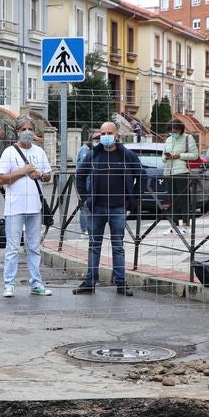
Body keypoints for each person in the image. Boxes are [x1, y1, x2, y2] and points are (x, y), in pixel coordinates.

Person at [74, 120, 141, 296]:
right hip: (97, 208)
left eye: (109, 133)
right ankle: (90, 282)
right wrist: (86, 198)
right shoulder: (93, 154)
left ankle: (121, 283)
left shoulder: (127, 155)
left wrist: (133, 198)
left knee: (118, 246)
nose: (105, 137)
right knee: (93, 245)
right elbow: (79, 176)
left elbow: (141, 176)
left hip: (118, 208)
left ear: (117, 135)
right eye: (102, 134)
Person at [0, 115, 53, 298]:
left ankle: (36, 283)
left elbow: (49, 175)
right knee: (12, 248)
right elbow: (1, 178)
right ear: (17, 132)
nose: (27, 132)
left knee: (34, 247)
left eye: (30, 129)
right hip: (15, 207)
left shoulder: (39, 152)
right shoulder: (9, 152)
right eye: (23, 129)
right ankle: (9, 284)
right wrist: (23, 171)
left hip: (34, 207)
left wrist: (40, 175)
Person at [161, 120, 199, 224]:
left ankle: (186, 224)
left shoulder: (188, 138)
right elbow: (163, 155)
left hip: (182, 171)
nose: (173, 133)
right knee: (172, 200)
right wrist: (166, 157)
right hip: (168, 172)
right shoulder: (168, 139)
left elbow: (195, 155)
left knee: (184, 199)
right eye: (170, 131)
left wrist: (179, 156)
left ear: (180, 130)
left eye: (175, 131)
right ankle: (174, 224)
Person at [75, 130, 99, 234]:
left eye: (99, 139)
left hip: (92, 183)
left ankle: (89, 228)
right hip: (86, 183)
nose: (97, 141)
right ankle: (84, 229)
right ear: (91, 139)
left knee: (89, 206)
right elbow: (82, 169)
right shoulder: (85, 150)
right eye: (96, 139)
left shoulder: (94, 150)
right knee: (84, 205)